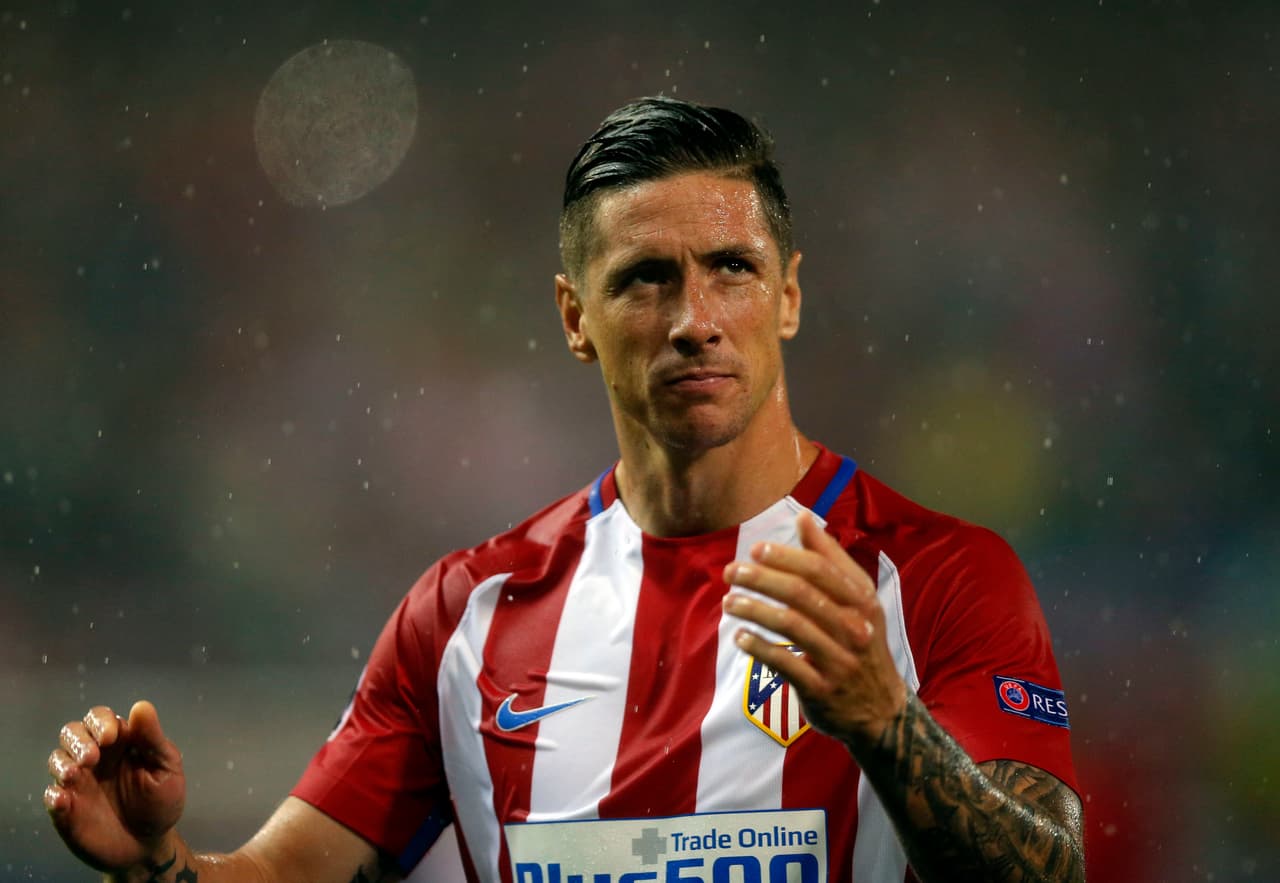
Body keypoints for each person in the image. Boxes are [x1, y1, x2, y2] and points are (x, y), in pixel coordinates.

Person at [46, 96, 1084, 883]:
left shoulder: (939, 577)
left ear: (789, 295)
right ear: (573, 316)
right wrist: (155, 861)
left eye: (730, 267)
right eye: (645, 277)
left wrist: (885, 723)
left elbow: (1048, 870)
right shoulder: (466, 615)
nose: (694, 319)